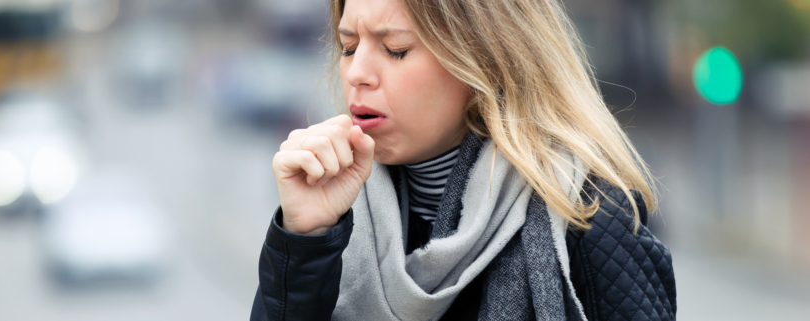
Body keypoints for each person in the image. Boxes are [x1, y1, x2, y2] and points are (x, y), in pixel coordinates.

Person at [251, 0, 676, 319]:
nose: (357, 73)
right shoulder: (332, 214)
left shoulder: (589, 217)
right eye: (348, 47)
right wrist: (304, 239)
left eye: (395, 49)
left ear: (483, 61)